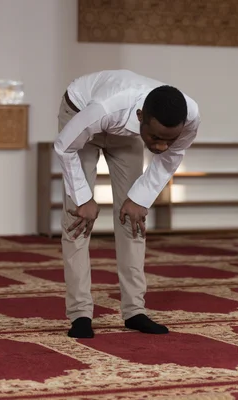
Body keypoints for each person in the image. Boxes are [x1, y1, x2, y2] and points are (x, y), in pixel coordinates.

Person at [54, 69, 200, 339]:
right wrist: (84, 198)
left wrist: (140, 199)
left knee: (133, 220)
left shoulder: (189, 116)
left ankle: (134, 311)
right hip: (80, 112)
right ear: (141, 117)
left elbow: (173, 156)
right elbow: (65, 147)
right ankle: (80, 314)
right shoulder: (105, 108)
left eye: (169, 139)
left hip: (125, 132)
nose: (160, 147)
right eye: (156, 138)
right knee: (77, 221)